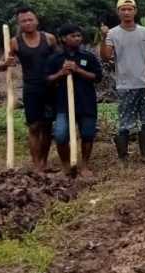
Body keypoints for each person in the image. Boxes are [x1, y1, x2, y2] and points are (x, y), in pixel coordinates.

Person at [0, 6, 59, 173]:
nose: (28, 23)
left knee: (47, 126)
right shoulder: (15, 42)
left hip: (50, 87)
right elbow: (0, 65)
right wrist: (6, 63)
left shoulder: (49, 39)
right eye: (23, 21)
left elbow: (59, 58)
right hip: (31, 88)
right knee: (33, 126)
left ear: (36, 21)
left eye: (30, 19)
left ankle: (44, 162)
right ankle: (36, 165)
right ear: (19, 24)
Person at [99, 0, 145, 163]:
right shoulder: (112, 33)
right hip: (124, 85)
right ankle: (123, 157)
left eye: (129, 9)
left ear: (135, 11)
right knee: (125, 122)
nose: (126, 12)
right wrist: (103, 38)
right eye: (123, 9)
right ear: (118, 12)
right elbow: (106, 57)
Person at [47, 24, 103, 176]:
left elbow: (97, 77)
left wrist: (78, 70)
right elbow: (47, 79)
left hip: (86, 103)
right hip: (63, 104)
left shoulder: (88, 56)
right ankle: (66, 165)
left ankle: (84, 165)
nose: (77, 38)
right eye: (73, 36)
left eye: (79, 36)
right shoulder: (55, 59)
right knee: (60, 135)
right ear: (63, 39)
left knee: (87, 134)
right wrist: (61, 73)